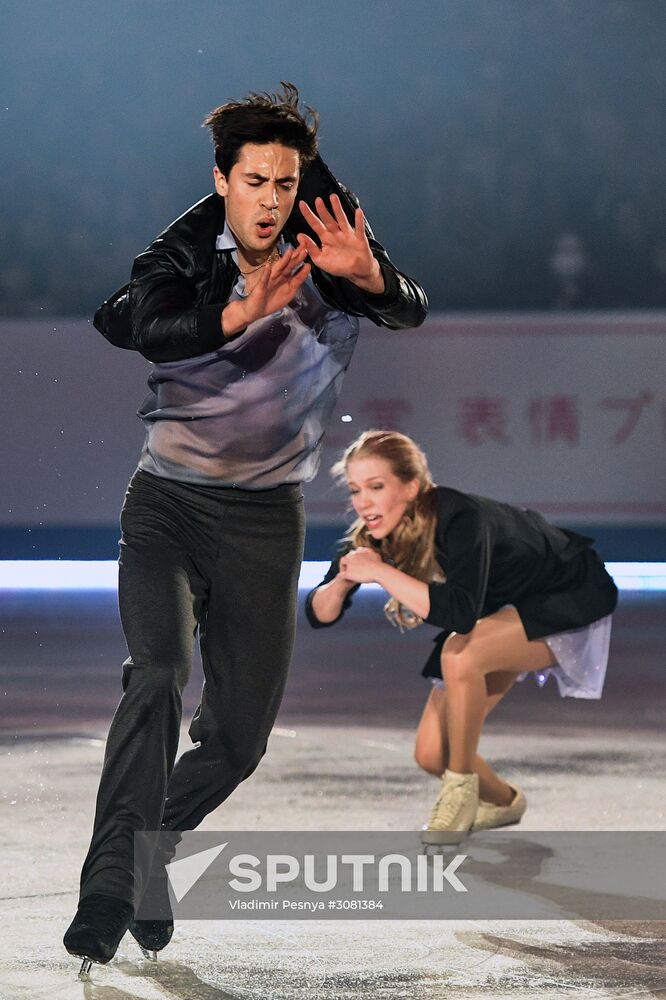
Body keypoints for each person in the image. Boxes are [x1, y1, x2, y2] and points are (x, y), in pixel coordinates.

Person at [63, 84, 427, 974]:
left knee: (236, 742)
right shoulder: (183, 250)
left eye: (285, 181)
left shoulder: (327, 244)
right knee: (157, 677)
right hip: (169, 508)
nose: (271, 199)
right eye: (255, 180)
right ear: (221, 180)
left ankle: (150, 854)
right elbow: (134, 320)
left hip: (268, 523)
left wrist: (372, 273)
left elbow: (407, 305)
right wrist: (233, 313)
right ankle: (110, 884)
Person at [305, 430, 618, 844]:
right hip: (501, 608)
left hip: (564, 593)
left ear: (412, 486)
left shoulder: (460, 517)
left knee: (460, 654)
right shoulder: (377, 532)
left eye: (376, 487)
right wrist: (344, 581)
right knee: (432, 753)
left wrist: (380, 572)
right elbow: (320, 614)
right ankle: (504, 801)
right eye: (356, 489)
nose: (363, 502)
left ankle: (460, 788)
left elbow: (459, 613)